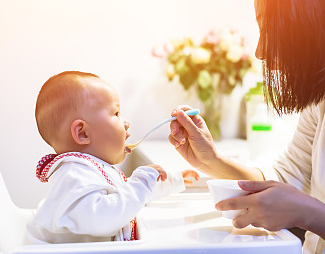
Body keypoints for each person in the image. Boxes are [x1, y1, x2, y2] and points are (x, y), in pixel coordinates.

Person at [168, 0, 325, 253]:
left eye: (271, 31)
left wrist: (311, 215)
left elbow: (297, 201)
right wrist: (210, 160)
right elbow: (287, 179)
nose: (261, 52)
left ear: (323, 27)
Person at [27, 71, 199, 244]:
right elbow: (105, 216)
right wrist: (142, 181)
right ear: (83, 132)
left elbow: (123, 196)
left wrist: (170, 181)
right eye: (116, 114)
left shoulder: (89, 170)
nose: (126, 122)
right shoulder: (74, 175)